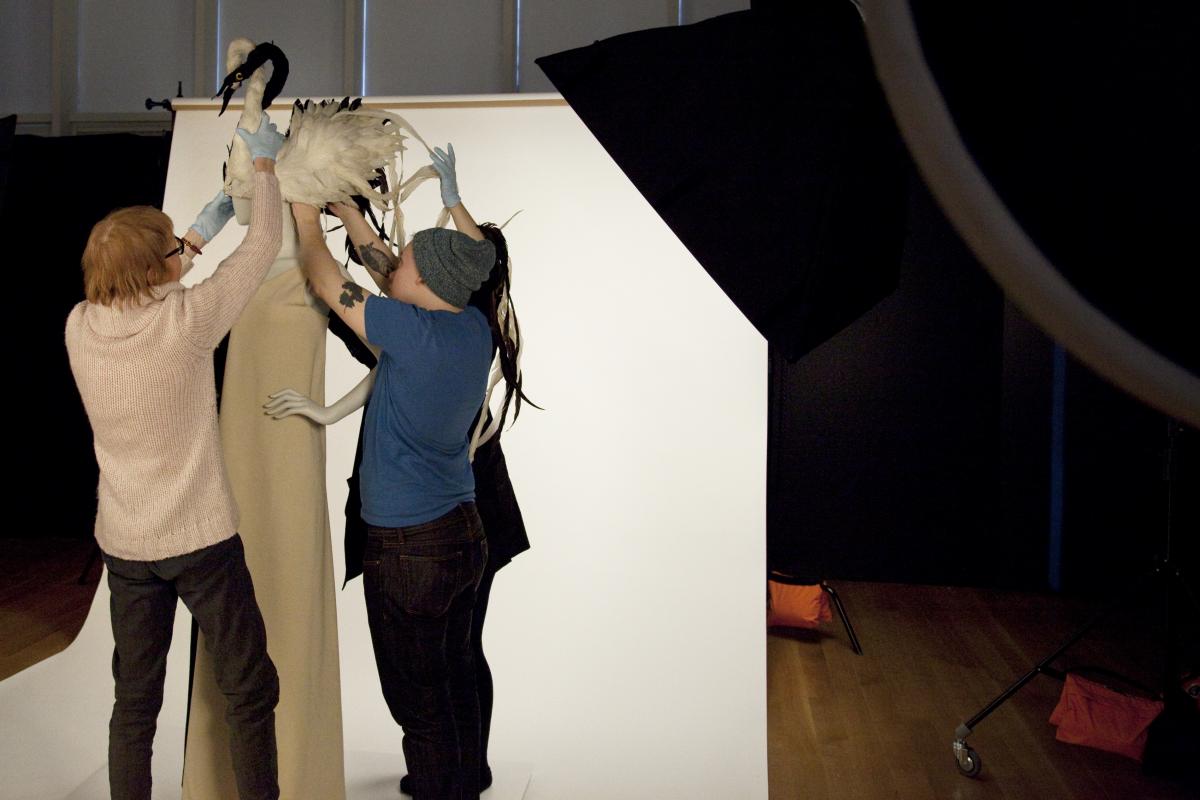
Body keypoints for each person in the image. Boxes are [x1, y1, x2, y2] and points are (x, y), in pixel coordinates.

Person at [267, 198, 534, 796]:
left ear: (428, 280)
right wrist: (352, 214)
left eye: (406, 261)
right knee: (455, 671)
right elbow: (399, 275)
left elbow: (323, 274)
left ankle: (446, 784)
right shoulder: (472, 326)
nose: (395, 269)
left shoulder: (407, 333)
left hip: (413, 547)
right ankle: (465, 779)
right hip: (462, 533)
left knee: (420, 699)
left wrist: (309, 216)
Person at [64, 115, 285, 800]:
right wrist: (265, 170)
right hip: (201, 541)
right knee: (249, 691)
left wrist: (187, 241)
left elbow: (141, 287)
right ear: (156, 270)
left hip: (127, 545)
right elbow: (264, 242)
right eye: (169, 251)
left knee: (135, 704)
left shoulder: (79, 325)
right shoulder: (187, 323)